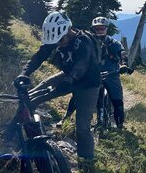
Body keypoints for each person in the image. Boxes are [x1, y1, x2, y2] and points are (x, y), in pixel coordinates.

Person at [14, 11, 101, 161]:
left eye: (61, 40)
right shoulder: (56, 38)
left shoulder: (84, 42)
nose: (59, 43)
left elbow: (82, 65)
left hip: (88, 84)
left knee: (82, 126)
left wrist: (68, 81)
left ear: (68, 30)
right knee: (34, 95)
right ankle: (14, 132)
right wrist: (24, 73)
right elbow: (39, 56)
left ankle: (87, 162)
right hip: (68, 76)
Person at [91, 16, 132, 128]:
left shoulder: (113, 43)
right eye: (97, 29)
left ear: (106, 29)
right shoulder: (90, 42)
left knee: (117, 101)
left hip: (112, 74)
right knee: (86, 97)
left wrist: (124, 64)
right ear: (93, 30)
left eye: (102, 28)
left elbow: (122, 53)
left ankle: (119, 125)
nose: (99, 31)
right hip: (94, 74)